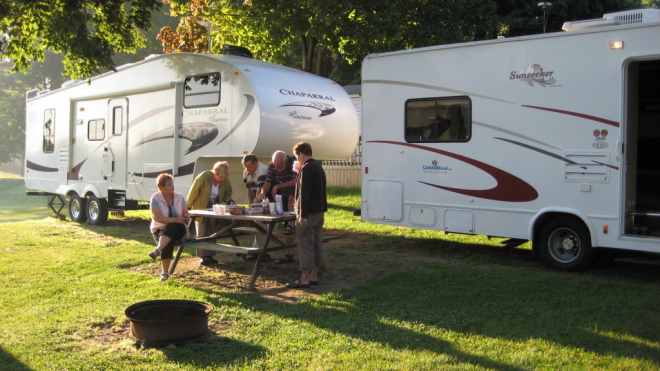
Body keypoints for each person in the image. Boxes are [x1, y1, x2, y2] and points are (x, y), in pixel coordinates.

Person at [286, 141, 327, 289]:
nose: (297, 160)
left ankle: (304, 278)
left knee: (305, 244)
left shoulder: (306, 168)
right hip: (319, 211)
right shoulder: (318, 167)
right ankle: (314, 275)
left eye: (297, 157)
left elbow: (304, 194)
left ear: (301, 155)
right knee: (316, 242)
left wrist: (301, 215)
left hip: (308, 213)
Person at [186, 161, 235, 266]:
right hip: (201, 207)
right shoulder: (203, 177)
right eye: (221, 177)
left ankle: (211, 255)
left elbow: (227, 194)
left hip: (215, 208)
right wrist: (188, 207)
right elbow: (193, 192)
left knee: (213, 231)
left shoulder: (225, 181)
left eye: (224, 178)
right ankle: (203, 256)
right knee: (202, 230)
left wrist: (230, 201)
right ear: (215, 173)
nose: (223, 179)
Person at [257, 150, 298, 263]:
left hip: (294, 189)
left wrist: (277, 187)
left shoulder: (293, 162)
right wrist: (262, 192)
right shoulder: (273, 165)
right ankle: (290, 253)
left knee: (291, 197)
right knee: (286, 228)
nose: (277, 167)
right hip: (282, 191)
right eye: (275, 165)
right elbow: (268, 182)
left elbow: (295, 181)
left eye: (279, 165)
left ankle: (291, 222)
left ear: (285, 161)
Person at [148, 173, 190, 281]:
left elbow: (186, 212)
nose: (172, 186)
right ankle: (165, 274)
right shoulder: (155, 198)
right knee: (168, 241)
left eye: (172, 184)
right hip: (160, 228)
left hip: (179, 229)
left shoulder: (179, 197)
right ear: (161, 187)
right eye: (169, 184)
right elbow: (157, 218)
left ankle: (157, 250)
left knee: (172, 228)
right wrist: (175, 219)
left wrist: (185, 217)